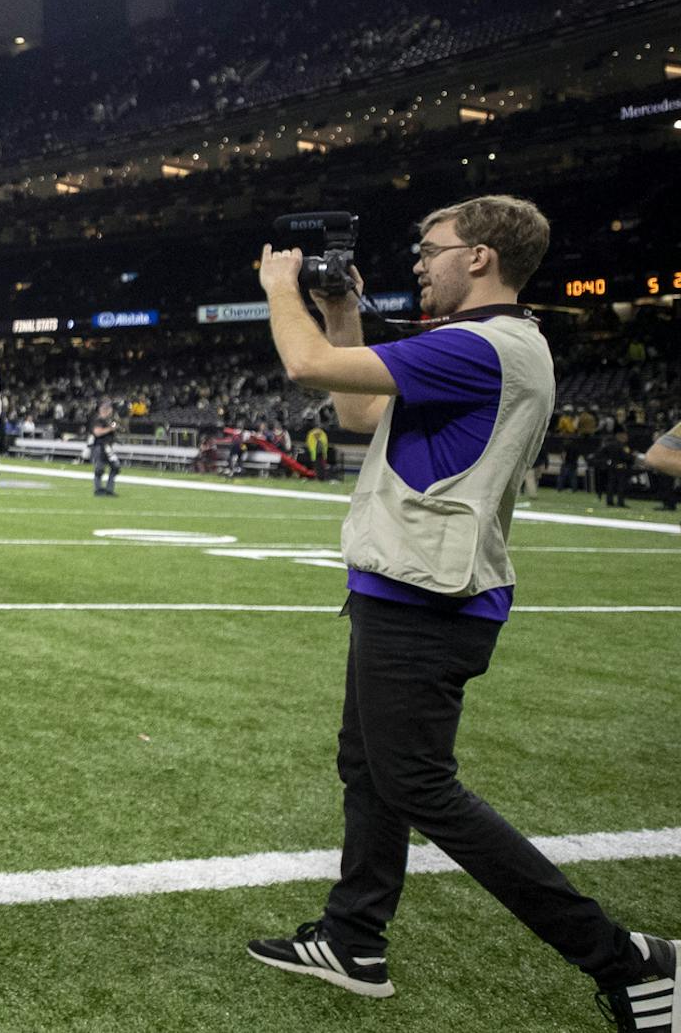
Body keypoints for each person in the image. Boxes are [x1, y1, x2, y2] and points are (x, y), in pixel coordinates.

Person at [245, 195, 677, 1026]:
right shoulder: (485, 345)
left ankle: (627, 963)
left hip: (426, 597)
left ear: (480, 257)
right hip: (405, 585)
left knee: (420, 786)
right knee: (371, 769)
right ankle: (353, 939)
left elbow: (304, 368)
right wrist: (341, 310)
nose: (418, 261)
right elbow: (358, 416)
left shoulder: (480, 345)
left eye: (431, 247)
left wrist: (282, 288)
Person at [89, 402, 122, 496]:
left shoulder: (108, 420)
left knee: (115, 467)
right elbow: (97, 433)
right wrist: (110, 429)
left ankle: (109, 489)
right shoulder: (98, 420)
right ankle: (98, 489)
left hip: (108, 447)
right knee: (99, 469)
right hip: (100, 447)